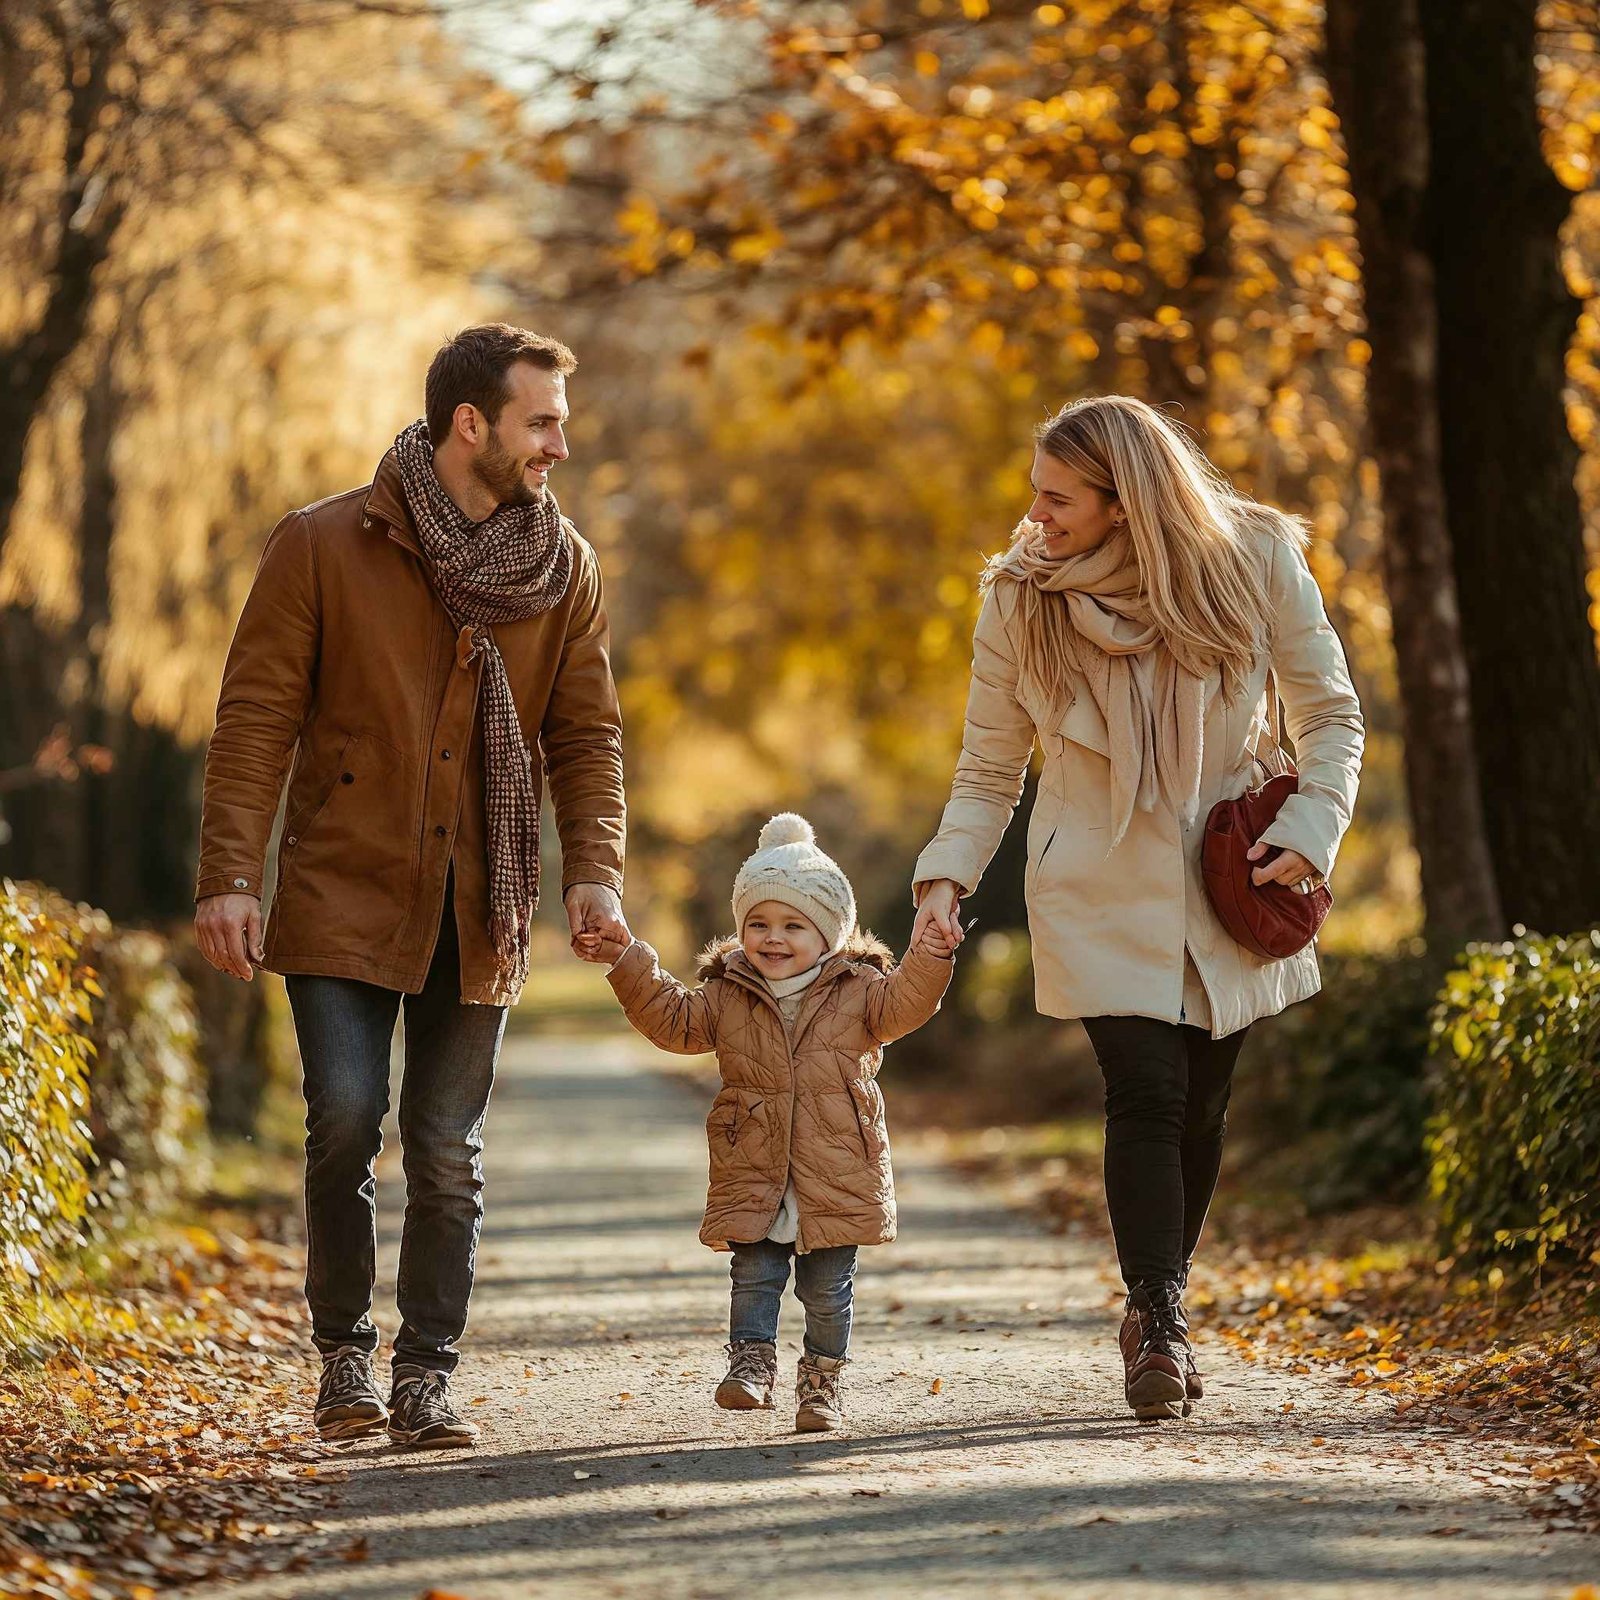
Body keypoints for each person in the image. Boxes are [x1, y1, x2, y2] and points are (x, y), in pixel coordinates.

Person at [194, 323, 629, 1448]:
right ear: (470, 423)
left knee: (445, 1149)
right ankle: (343, 1355)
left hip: (480, 900)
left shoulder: (561, 566)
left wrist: (596, 873)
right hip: (343, 883)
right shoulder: (324, 544)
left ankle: (424, 1373)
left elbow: (585, 738)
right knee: (344, 1119)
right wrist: (232, 874)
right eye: (541, 422)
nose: (559, 448)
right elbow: (254, 721)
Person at [910, 395, 1363, 1421]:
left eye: (1058, 497)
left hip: (1231, 874)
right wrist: (946, 876)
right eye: (1037, 493)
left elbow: (1331, 711)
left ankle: (1160, 1299)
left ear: (1126, 505)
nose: (1034, 516)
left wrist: (1309, 830)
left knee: (1203, 1101)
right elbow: (988, 768)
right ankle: (1158, 1316)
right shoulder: (1020, 599)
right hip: (1094, 880)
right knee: (1146, 1091)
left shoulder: (1251, 557)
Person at [581, 813, 955, 1432]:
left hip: (836, 1166)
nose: (772, 938)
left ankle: (821, 1384)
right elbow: (674, 1022)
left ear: (829, 933)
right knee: (753, 1274)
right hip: (753, 1162)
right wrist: (627, 960)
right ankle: (751, 1365)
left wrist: (930, 954)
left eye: (792, 925)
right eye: (757, 924)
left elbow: (908, 1002)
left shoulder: (861, 991)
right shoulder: (728, 992)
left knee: (828, 1291)